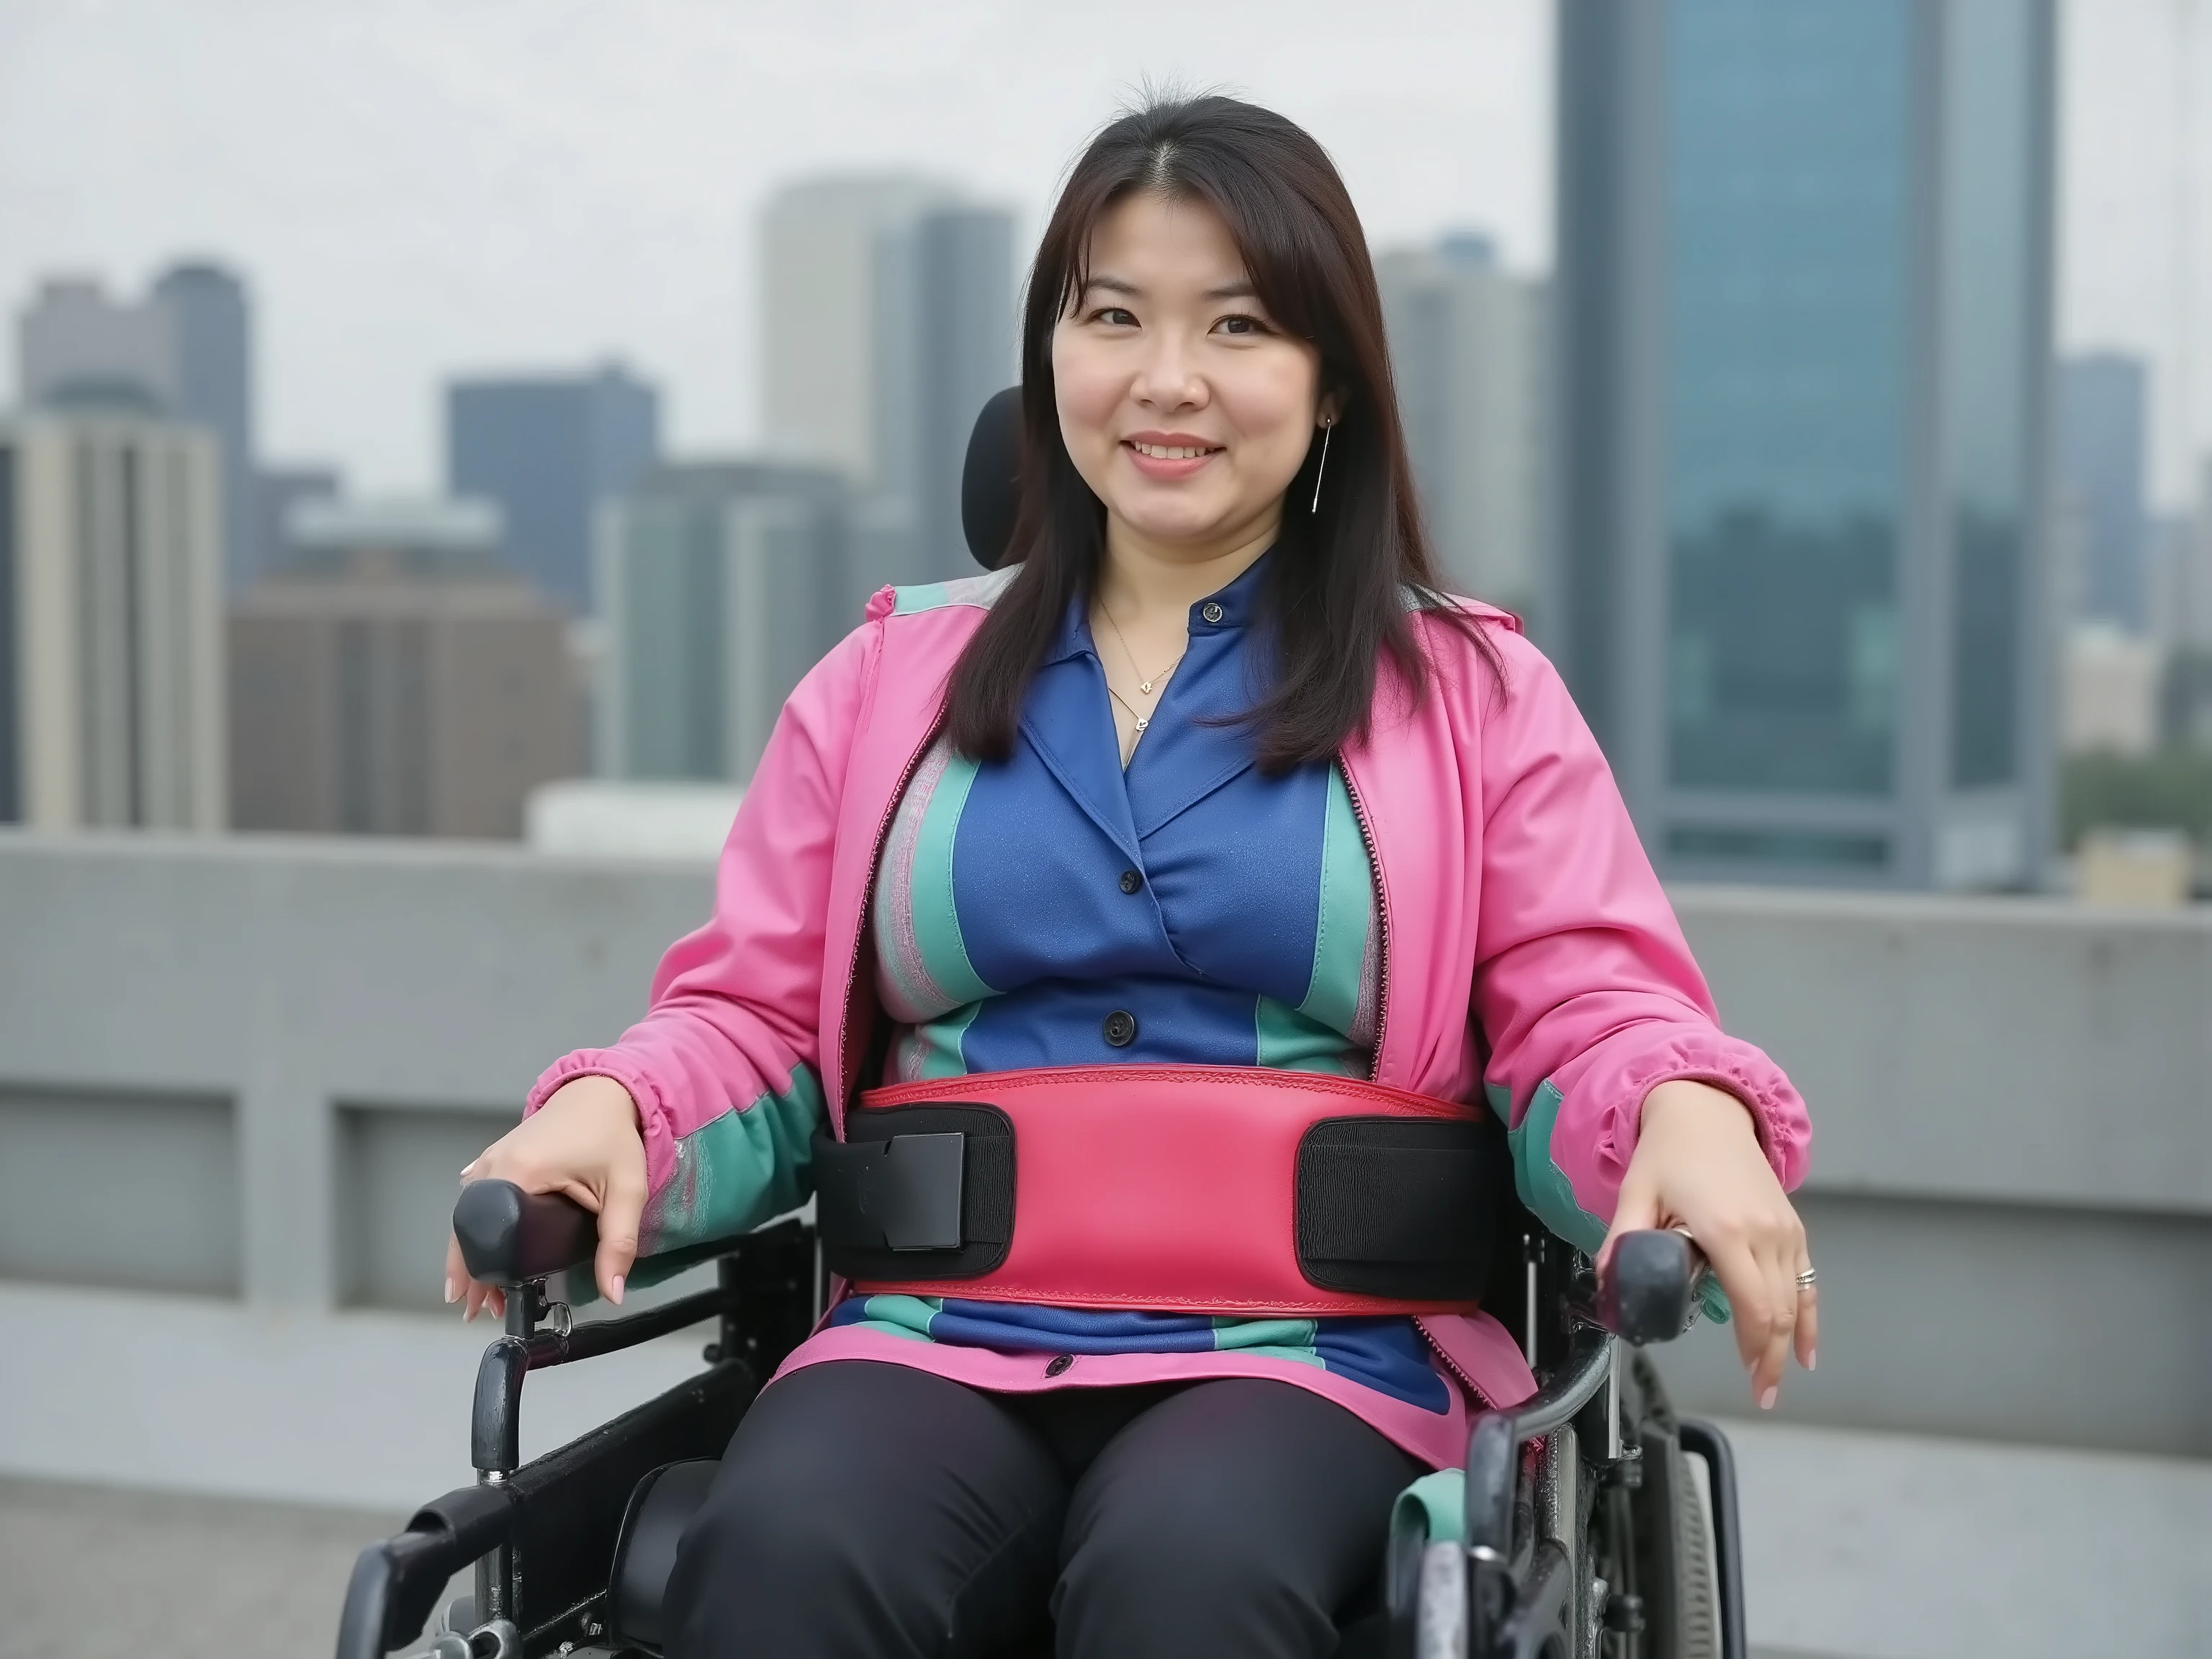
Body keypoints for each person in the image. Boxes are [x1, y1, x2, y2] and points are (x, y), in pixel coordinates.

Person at [447, 94, 1815, 1659]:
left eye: (1237, 324)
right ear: (1051, 361)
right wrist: (622, 1109)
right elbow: (755, 1024)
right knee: (782, 1549)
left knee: (1191, 1580)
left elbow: (1586, 1005)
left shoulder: (1468, 699)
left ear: (1331, 387)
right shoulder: (885, 685)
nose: (1168, 380)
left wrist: (1685, 1112)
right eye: (1115, 317)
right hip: (932, 1337)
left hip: (1314, 1353)